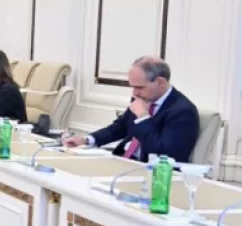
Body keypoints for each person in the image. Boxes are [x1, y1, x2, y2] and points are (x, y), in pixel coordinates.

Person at [63, 56, 199, 163]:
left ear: (160, 82)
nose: (134, 93)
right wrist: (87, 140)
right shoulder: (142, 98)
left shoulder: (182, 111)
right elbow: (120, 128)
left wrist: (143, 117)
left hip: (148, 172)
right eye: (132, 87)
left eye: (139, 87)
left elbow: (163, 153)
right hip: (123, 160)